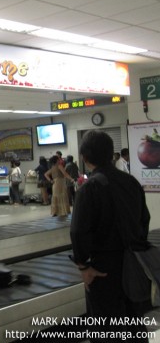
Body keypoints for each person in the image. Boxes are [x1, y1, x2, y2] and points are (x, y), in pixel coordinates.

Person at [71, 130, 150, 341]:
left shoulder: (89, 189)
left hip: (102, 269)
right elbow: (144, 220)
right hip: (133, 263)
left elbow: (79, 231)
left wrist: (83, 265)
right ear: (111, 153)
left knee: (105, 327)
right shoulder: (131, 183)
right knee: (134, 321)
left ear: (85, 157)